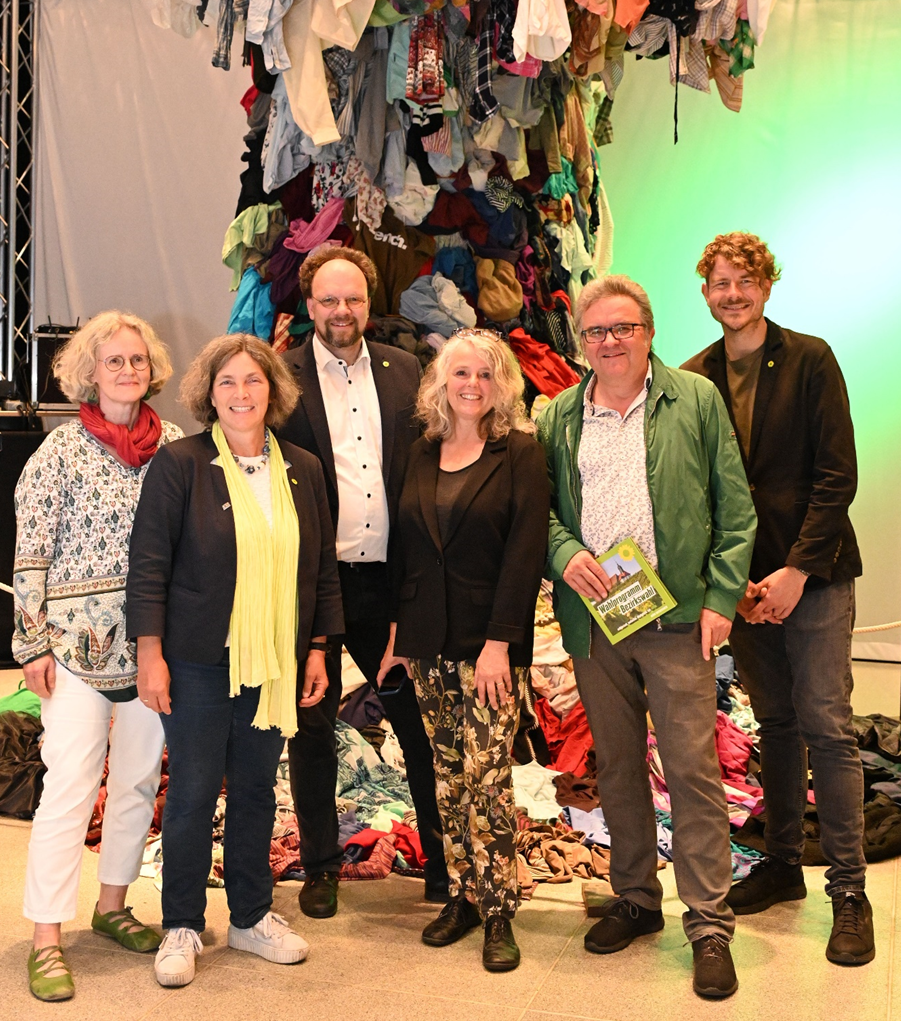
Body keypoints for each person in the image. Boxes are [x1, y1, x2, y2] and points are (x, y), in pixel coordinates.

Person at [536, 275, 756, 999]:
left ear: (649, 330)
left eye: (622, 328)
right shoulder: (561, 415)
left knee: (692, 771)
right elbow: (542, 515)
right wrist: (566, 556)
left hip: (678, 618)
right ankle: (635, 896)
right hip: (597, 623)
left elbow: (736, 506)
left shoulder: (692, 399)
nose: (610, 342)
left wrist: (723, 597)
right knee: (618, 763)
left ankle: (710, 924)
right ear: (583, 344)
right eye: (596, 332)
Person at [127, 334, 343, 988]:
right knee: (192, 794)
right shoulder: (180, 465)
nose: (242, 393)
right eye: (228, 382)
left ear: (272, 391)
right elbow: (149, 567)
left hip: (274, 660)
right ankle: (183, 926)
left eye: (253, 381)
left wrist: (318, 650)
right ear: (207, 394)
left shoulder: (302, 467)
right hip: (195, 660)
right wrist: (150, 654)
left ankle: (250, 917)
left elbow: (321, 570)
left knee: (254, 791)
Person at [684, 232, 873, 965]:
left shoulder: (811, 358)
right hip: (745, 584)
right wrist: (733, 585)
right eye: (718, 283)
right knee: (777, 722)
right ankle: (785, 865)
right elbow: (700, 491)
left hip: (815, 574)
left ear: (767, 286)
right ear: (705, 292)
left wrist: (797, 570)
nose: (731, 294)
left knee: (828, 724)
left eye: (744, 281)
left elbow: (837, 475)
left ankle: (849, 892)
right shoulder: (696, 376)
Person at [12, 311, 183, 1002]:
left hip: (151, 648)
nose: (128, 372)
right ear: (90, 370)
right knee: (69, 789)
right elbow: (31, 553)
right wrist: (29, 644)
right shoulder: (58, 451)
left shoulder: (173, 446)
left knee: (139, 780)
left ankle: (112, 906)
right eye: (114, 361)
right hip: (72, 652)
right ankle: (47, 936)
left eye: (137, 360)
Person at [277, 244, 448, 918]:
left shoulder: (407, 370)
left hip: (389, 586)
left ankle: (440, 860)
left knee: (417, 723)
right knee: (311, 729)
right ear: (310, 305)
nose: (341, 311)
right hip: (313, 586)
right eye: (328, 300)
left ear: (369, 305)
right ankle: (320, 866)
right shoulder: (280, 378)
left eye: (352, 299)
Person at [378, 329, 550, 972]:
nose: (471, 385)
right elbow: (406, 549)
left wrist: (500, 644)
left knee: (488, 775)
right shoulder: (422, 451)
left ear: (502, 383)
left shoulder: (521, 453)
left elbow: (525, 554)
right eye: (459, 374)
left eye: (484, 374)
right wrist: (398, 635)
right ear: (441, 384)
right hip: (426, 640)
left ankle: (500, 908)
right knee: (446, 774)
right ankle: (462, 895)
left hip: (489, 646)